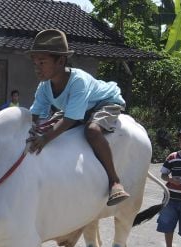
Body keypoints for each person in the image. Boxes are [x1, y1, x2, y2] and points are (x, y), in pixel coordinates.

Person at [25, 29, 130, 206]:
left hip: (103, 102)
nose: (37, 67)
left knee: (92, 131)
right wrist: (34, 129)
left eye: (42, 62)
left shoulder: (78, 81)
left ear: (60, 61)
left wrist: (44, 139)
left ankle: (114, 182)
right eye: (35, 63)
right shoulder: (44, 87)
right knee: (51, 128)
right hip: (75, 108)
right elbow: (36, 115)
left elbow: (70, 119)